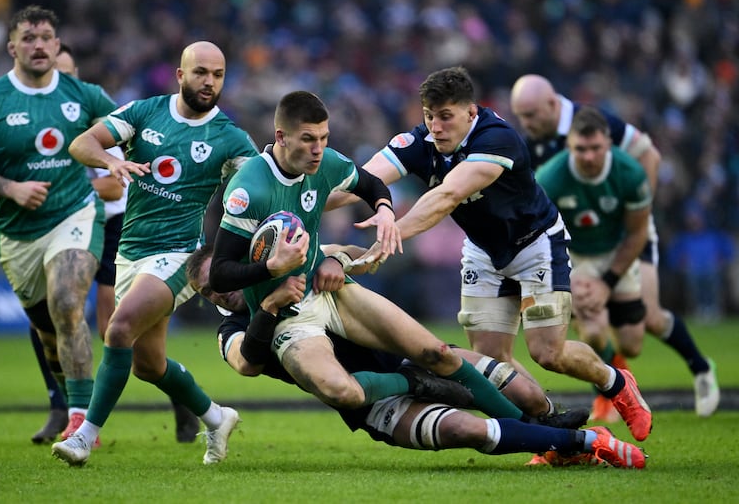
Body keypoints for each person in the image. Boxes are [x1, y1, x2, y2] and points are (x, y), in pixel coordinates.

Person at [209, 90, 576, 430]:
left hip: (331, 292)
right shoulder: (249, 189)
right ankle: (422, 387)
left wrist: (384, 211)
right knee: (351, 392)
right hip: (293, 315)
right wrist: (272, 268)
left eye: (324, 138)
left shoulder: (327, 163)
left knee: (436, 352)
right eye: (309, 139)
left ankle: (535, 429)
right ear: (282, 136)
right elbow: (222, 276)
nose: (319, 149)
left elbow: (371, 184)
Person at [326, 67, 653, 442]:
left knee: (548, 353)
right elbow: (358, 183)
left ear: (471, 112)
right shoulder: (420, 141)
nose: (435, 127)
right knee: (493, 365)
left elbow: (447, 196)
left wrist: (392, 234)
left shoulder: (497, 139)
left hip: (535, 244)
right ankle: (546, 430)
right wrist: (306, 201)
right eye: (429, 116)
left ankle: (615, 382)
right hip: (484, 252)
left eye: (446, 117)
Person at [187, 244, 644, 469]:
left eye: (225, 277)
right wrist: (266, 309)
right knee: (466, 428)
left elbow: (349, 253)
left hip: (404, 355)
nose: (224, 292)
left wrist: (338, 262)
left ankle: (550, 427)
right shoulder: (234, 331)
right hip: (372, 402)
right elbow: (244, 363)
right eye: (213, 290)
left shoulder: (291, 271)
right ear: (206, 298)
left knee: (520, 385)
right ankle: (586, 444)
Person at [51, 40, 259, 467]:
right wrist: (111, 162)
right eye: (200, 72)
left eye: (218, 75)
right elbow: (81, 144)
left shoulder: (230, 138)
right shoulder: (143, 113)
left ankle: (83, 436)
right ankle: (217, 418)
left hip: (180, 255)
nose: (209, 82)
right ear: (180, 75)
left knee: (119, 328)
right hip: (132, 253)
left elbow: (268, 184)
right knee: (148, 364)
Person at [510, 73, 719, 418]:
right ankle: (612, 388)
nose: (525, 123)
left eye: (530, 115)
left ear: (551, 104)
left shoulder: (595, 122)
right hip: (577, 242)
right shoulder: (537, 144)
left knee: (646, 322)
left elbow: (649, 155)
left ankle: (700, 368)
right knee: (587, 319)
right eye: (521, 116)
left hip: (625, 232)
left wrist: (635, 211)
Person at [0, 5, 115, 442]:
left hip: (75, 214)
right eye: (29, 38)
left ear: (58, 45)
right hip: (19, 232)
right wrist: (10, 188)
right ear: (12, 47)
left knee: (67, 302)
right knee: (49, 335)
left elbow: (126, 134)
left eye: (46, 37)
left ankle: (82, 422)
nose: (39, 45)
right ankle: (68, 402)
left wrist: (116, 167)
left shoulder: (85, 96)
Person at [37, 45, 201, 445]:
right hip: (60, 228)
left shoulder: (103, 118)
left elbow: (113, 185)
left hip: (115, 229)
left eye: (67, 75)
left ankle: (87, 418)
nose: (60, 84)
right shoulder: (37, 126)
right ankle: (63, 406)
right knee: (47, 317)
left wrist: (67, 193)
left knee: (114, 326)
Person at [535, 106, 656, 423]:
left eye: (596, 148)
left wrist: (607, 282)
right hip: (572, 253)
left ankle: (618, 368)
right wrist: (567, 277)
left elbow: (637, 232)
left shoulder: (630, 173)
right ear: (568, 146)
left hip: (616, 251)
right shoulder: (550, 177)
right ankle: (610, 387)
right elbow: (538, 234)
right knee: (591, 329)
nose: (588, 156)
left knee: (632, 344)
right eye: (580, 149)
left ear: (609, 145)